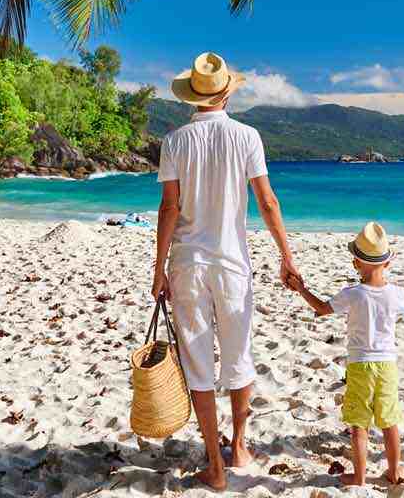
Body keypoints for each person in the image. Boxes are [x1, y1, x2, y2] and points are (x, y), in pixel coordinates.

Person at [151, 52, 300, 491]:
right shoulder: (247, 136)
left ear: (193, 96)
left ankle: (214, 464)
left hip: (188, 265)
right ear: (226, 91)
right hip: (233, 264)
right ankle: (239, 445)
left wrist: (158, 268)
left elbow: (169, 208)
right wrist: (286, 256)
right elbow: (268, 201)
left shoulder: (175, 141)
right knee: (239, 357)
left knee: (198, 362)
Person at [288, 222, 404, 488]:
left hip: (359, 367)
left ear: (356, 264)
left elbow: (321, 308)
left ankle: (359, 477)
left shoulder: (353, 294)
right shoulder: (395, 294)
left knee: (359, 425)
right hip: (387, 366)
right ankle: (392, 472)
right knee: (390, 422)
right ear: (387, 263)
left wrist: (300, 288)